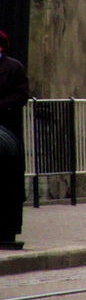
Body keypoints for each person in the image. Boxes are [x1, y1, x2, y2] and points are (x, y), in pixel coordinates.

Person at [0, 29, 29, 249]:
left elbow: (21, 95)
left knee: (8, 177)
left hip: (6, 130)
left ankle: (8, 229)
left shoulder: (13, 67)